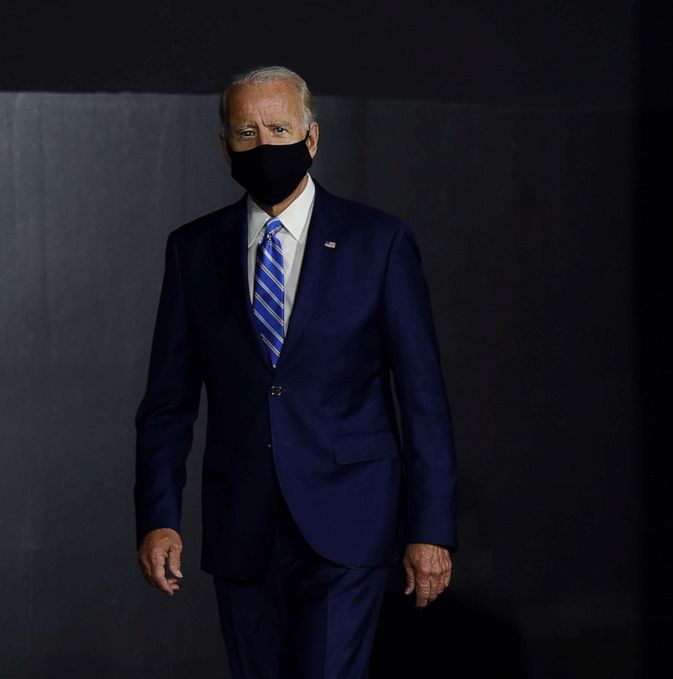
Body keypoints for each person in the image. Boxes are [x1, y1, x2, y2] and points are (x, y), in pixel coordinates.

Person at [133, 65, 457, 678]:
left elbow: (422, 399)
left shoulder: (378, 242)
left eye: (278, 128)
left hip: (350, 517)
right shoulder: (194, 249)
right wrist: (158, 517)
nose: (264, 145)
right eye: (246, 132)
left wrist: (432, 529)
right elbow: (169, 402)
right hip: (242, 523)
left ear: (311, 138)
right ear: (225, 146)